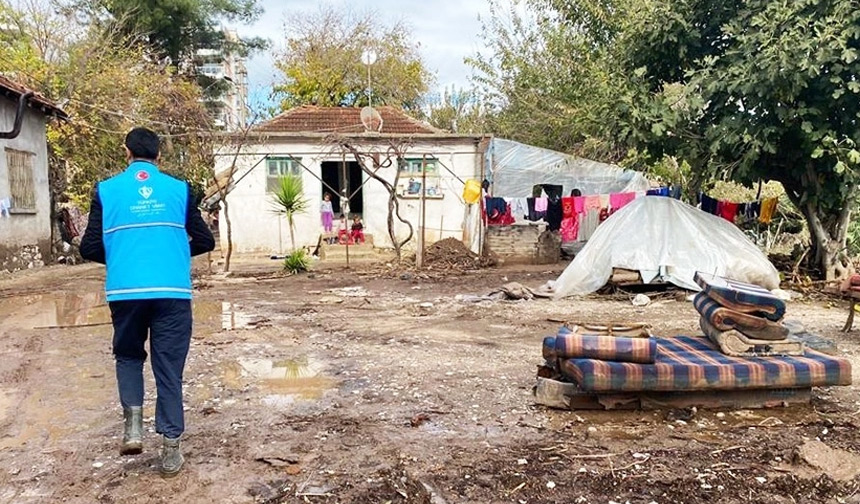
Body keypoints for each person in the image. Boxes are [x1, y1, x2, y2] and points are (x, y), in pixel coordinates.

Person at [80, 127, 215, 477]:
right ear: (159, 156)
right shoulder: (180, 190)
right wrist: (172, 251)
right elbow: (204, 239)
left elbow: (89, 247)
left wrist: (126, 256)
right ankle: (171, 451)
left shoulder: (105, 191)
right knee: (168, 369)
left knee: (127, 355)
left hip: (126, 293)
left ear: (126, 152)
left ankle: (133, 428)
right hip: (172, 292)